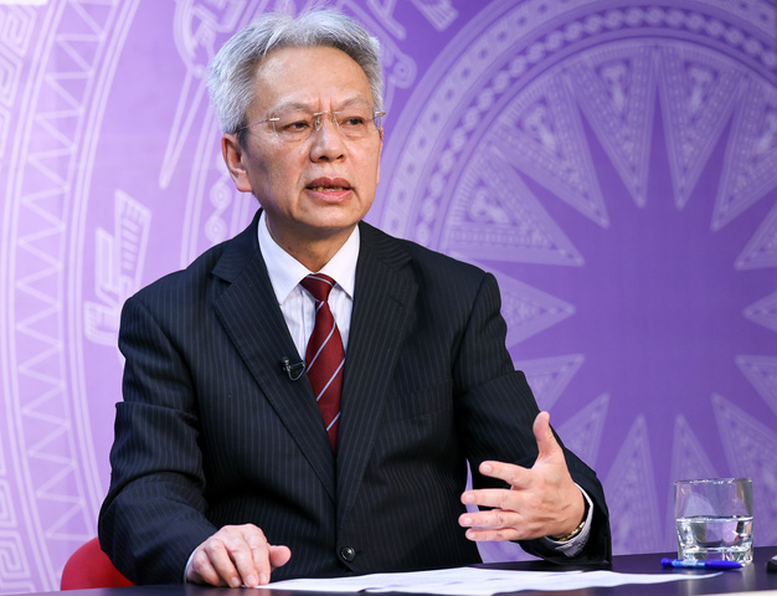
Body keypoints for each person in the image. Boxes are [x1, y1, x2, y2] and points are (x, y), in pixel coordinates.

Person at [98, 9, 611, 588]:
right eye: (296, 124)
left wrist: (569, 517)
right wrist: (199, 547)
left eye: (353, 121)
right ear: (237, 159)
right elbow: (143, 498)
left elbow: (534, 478)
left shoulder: (454, 298)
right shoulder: (170, 315)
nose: (330, 148)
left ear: (378, 143)